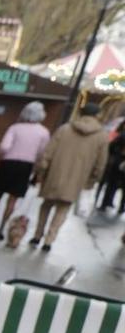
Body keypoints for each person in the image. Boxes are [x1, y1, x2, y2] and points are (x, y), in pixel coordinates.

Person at [34, 101, 111, 252]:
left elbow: (48, 153)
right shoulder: (102, 136)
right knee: (62, 209)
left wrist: (41, 171)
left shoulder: (65, 129)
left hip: (55, 175)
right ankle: (49, 240)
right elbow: (101, 163)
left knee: (46, 205)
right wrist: (93, 179)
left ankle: (37, 235)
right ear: (96, 116)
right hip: (77, 179)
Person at [0, 101, 51, 240]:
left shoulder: (15, 128)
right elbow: (42, 152)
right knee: (12, 199)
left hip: (7, 163)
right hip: (26, 167)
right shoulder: (44, 132)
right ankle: (1, 229)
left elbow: (4, 147)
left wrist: (4, 155)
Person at [100, 124, 125, 214]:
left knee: (111, 185)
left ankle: (105, 203)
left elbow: (112, 146)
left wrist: (116, 153)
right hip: (118, 163)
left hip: (118, 162)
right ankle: (121, 207)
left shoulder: (122, 135)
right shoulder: (122, 135)